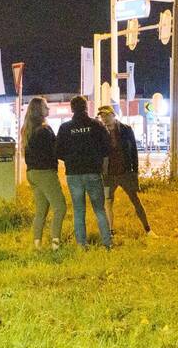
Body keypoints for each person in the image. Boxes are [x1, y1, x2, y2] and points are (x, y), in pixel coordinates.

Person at [55, 95, 112, 250]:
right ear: (86, 107)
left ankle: (81, 244)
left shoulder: (65, 128)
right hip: (93, 172)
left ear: (72, 108)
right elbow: (107, 148)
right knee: (99, 209)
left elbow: (58, 151)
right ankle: (107, 243)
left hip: (73, 173)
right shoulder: (96, 125)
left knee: (79, 210)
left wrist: (70, 158)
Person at [97, 105, 153, 238]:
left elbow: (134, 150)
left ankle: (148, 229)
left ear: (113, 115)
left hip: (125, 172)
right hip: (108, 174)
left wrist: (135, 171)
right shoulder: (100, 132)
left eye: (106, 115)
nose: (104, 118)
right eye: (102, 116)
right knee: (108, 201)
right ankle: (110, 231)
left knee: (135, 199)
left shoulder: (126, 129)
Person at [22, 96, 66, 250]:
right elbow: (56, 150)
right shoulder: (45, 129)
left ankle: (37, 244)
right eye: (46, 106)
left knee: (41, 211)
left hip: (32, 173)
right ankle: (55, 244)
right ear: (39, 110)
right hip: (45, 172)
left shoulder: (27, 129)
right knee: (60, 207)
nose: (48, 109)